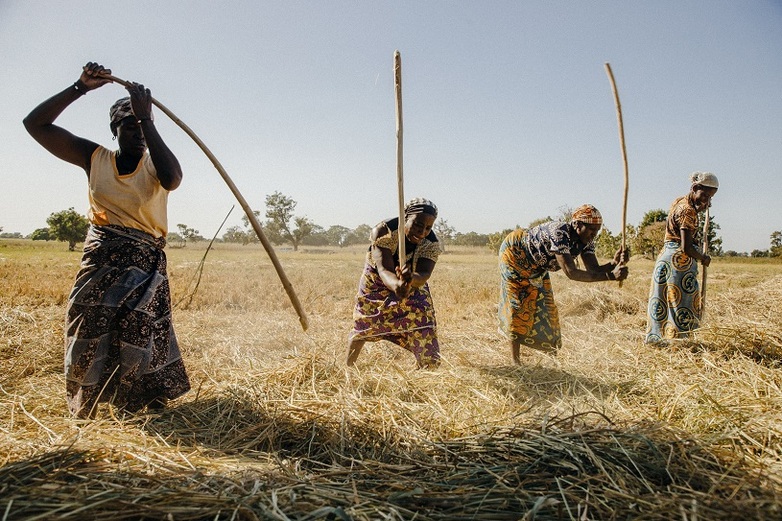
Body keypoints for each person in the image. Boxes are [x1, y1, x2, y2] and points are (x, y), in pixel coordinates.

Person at [23, 62, 190, 418]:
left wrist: (147, 118)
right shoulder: (93, 158)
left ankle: (140, 406)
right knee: (89, 329)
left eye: (143, 127)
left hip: (143, 268)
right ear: (114, 129)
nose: (139, 134)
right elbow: (34, 124)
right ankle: (89, 409)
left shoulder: (156, 164)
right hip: (100, 262)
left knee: (138, 332)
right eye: (130, 127)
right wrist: (80, 87)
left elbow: (173, 178)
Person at [498, 204, 629, 364]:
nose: (594, 235)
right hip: (515, 255)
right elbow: (570, 272)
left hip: (539, 265)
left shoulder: (587, 241)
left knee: (548, 306)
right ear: (577, 224)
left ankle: (552, 359)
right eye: (591, 230)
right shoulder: (559, 232)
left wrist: (614, 263)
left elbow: (593, 269)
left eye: (597, 231)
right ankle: (515, 362)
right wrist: (611, 276)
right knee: (518, 305)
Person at [347, 198, 442, 368]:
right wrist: (397, 286)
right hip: (376, 280)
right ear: (405, 216)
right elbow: (383, 269)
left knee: (422, 315)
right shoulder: (384, 231)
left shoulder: (431, 243)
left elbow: (425, 273)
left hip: (411, 281)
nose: (422, 233)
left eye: (428, 228)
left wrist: (411, 279)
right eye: (418, 225)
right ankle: (348, 368)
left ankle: (428, 367)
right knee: (366, 321)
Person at [644, 171, 719, 345]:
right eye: (704, 195)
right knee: (681, 303)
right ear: (694, 188)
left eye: (710, 198)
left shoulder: (680, 202)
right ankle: (679, 342)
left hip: (666, 258)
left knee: (663, 300)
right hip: (679, 262)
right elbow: (686, 246)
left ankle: (658, 340)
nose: (707, 200)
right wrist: (703, 257)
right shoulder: (687, 210)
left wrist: (700, 206)